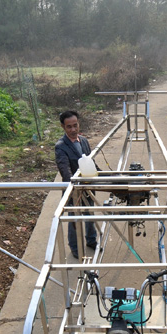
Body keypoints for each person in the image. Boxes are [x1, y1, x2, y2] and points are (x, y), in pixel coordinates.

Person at [55, 110, 98, 259]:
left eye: (75, 125)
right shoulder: (61, 146)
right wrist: (73, 185)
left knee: (89, 214)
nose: (73, 130)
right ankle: (75, 248)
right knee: (74, 219)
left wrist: (104, 176)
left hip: (88, 186)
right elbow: (64, 170)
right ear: (63, 127)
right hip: (74, 189)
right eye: (69, 127)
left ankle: (91, 240)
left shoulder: (83, 141)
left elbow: (91, 163)